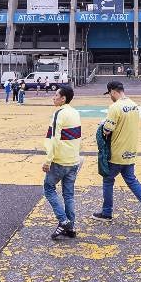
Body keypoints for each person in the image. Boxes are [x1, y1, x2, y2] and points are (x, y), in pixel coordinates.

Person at [93, 81, 141, 226]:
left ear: (112, 91)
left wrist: (102, 124)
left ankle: (106, 213)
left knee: (108, 180)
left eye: (109, 94)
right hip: (130, 151)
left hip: (117, 152)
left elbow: (106, 131)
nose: (110, 96)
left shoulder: (114, 107)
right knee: (132, 181)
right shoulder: (134, 105)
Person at [42, 85, 82, 240]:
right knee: (69, 194)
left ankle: (63, 220)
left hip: (60, 161)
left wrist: (48, 160)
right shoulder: (75, 112)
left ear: (63, 98)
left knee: (49, 189)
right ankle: (70, 227)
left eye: (56, 95)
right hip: (73, 160)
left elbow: (54, 139)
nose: (53, 97)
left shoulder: (59, 114)